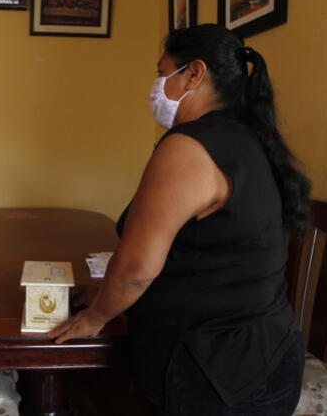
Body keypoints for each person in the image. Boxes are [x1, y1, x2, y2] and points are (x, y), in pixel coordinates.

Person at [49, 24, 311, 415]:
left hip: (217, 376)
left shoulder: (189, 146)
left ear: (195, 73)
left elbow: (137, 270)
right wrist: (103, 295)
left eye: (162, 72)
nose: (157, 85)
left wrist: (96, 316)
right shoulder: (249, 137)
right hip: (263, 358)